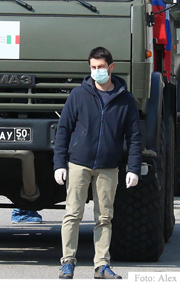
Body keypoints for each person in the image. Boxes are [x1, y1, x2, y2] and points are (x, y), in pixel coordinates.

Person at [53, 47, 141, 280]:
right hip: (78, 164)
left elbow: (134, 137)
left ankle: (102, 265)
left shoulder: (125, 99)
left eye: (101, 67)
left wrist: (133, 168)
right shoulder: (78, 95)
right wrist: (59, 163)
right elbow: (64, 130)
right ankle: (67, 262)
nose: (96, 71)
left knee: (104, 217)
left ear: (111, 67)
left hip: (108, 167)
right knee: (72, 214)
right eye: (93, 67)